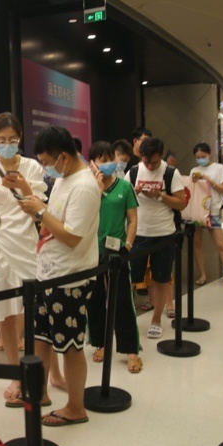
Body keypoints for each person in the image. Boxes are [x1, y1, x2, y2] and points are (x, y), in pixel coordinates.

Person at [17, 126, 100, 428]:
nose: (46, 168)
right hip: (48, 273)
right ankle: (39, 391)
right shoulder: (65, 179)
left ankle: (76, 407)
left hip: (70, 278)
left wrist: (39, 211)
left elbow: (72, 237)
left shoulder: (85, 187)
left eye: (47, 162)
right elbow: (52, 224)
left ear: (63, 156)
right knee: (42, 336)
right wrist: (33, 203)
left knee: (71, 345)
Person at [0, 113, 47, 404]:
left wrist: (21, 187)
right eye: (0, 140)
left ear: (20, 140)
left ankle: (40, 369)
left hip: (26, 241)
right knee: (3, 312)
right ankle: (14, 372)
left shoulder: (32, 166)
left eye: (12, 140)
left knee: (33, 309)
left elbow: (40, 206)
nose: (6, 145)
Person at [86, 142, 141, 373]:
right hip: (91, 252)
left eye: (110, 159)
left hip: (117, 250)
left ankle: (131, 350)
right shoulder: (87, 188)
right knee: (95, 299)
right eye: (101, 160)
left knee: (121, 300)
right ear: (91, 164)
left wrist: (128, 244)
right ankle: (101, 343)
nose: (107, 164)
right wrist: (97, 188)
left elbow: (133, 219)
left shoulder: (125, 187)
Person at [125, 137, 187, 339]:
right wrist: (132, 193)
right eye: (146, 161)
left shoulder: (170, 173)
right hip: (137, 234)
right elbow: (123, 201)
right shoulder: (133, 172)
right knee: (131, 279)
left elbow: (181, 204)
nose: (150, 166)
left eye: (153, 161)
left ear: (161, 156)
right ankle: (128, 319)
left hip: (163, 234)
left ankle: (156, 319)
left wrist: (159, 196)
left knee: (161, 279)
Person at [189, 143, 223, 288]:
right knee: (197, 243)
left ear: (210, 154)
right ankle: (202, 274)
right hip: (197, 211)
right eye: (198, 157)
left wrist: (208, 180)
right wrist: (194, 181)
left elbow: (222, 189)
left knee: (221, 245)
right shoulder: (194, 170)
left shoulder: (219, 168)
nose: (201, 159)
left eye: (203, 156)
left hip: (212, 211)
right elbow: (191, 190)